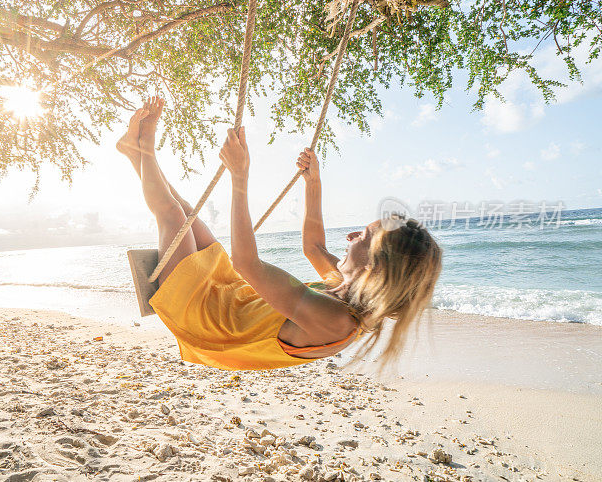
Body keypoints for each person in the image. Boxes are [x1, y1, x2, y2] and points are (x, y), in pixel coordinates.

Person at [117, 96, 442, 371]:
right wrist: (313, 183)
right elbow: (314, 247)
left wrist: (239, 177)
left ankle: (144, 147)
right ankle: (135, 152)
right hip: (227, 297)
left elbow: (246, 263)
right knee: (187, 216)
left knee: (173, 216)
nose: (351, 236)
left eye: (363, 237)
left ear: (374, 267)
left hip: (204, 320)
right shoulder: (350, 292)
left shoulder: (335, 320)